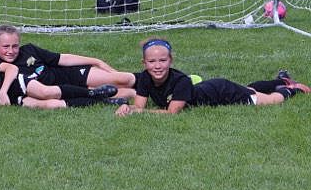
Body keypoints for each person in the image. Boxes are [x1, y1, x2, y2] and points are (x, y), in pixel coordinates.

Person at [115, 38, 309, 116]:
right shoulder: (144, 79)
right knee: (249, 89)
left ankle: (292, 89)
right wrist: (127, 108)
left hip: (222, 92)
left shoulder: (180, 81)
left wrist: (140, 113)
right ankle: (282, 80)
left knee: (269, 100)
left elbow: (172, 113)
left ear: (170, 60)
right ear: (144, 63)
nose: (157, 66)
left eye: (162, 60)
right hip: (212, 88)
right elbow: (139, 107)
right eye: (152, 62)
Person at [0, 32, 118, 109]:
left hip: (16, 83)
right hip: (11, 99)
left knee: (46, 92)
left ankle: (92, 92)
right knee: (52, 105)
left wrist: (3, 91)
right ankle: (103, 100)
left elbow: (11, 68)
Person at [0, 25, 135, 101]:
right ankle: (148, 93)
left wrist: (96, 61)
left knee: (126, 79)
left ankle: (151, 80)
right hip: (64, 92)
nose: (11, 51)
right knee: (131, 93)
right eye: (5, 47)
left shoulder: (29, 50)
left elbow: (62, 59)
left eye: (14, 46)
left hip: (69, 75)